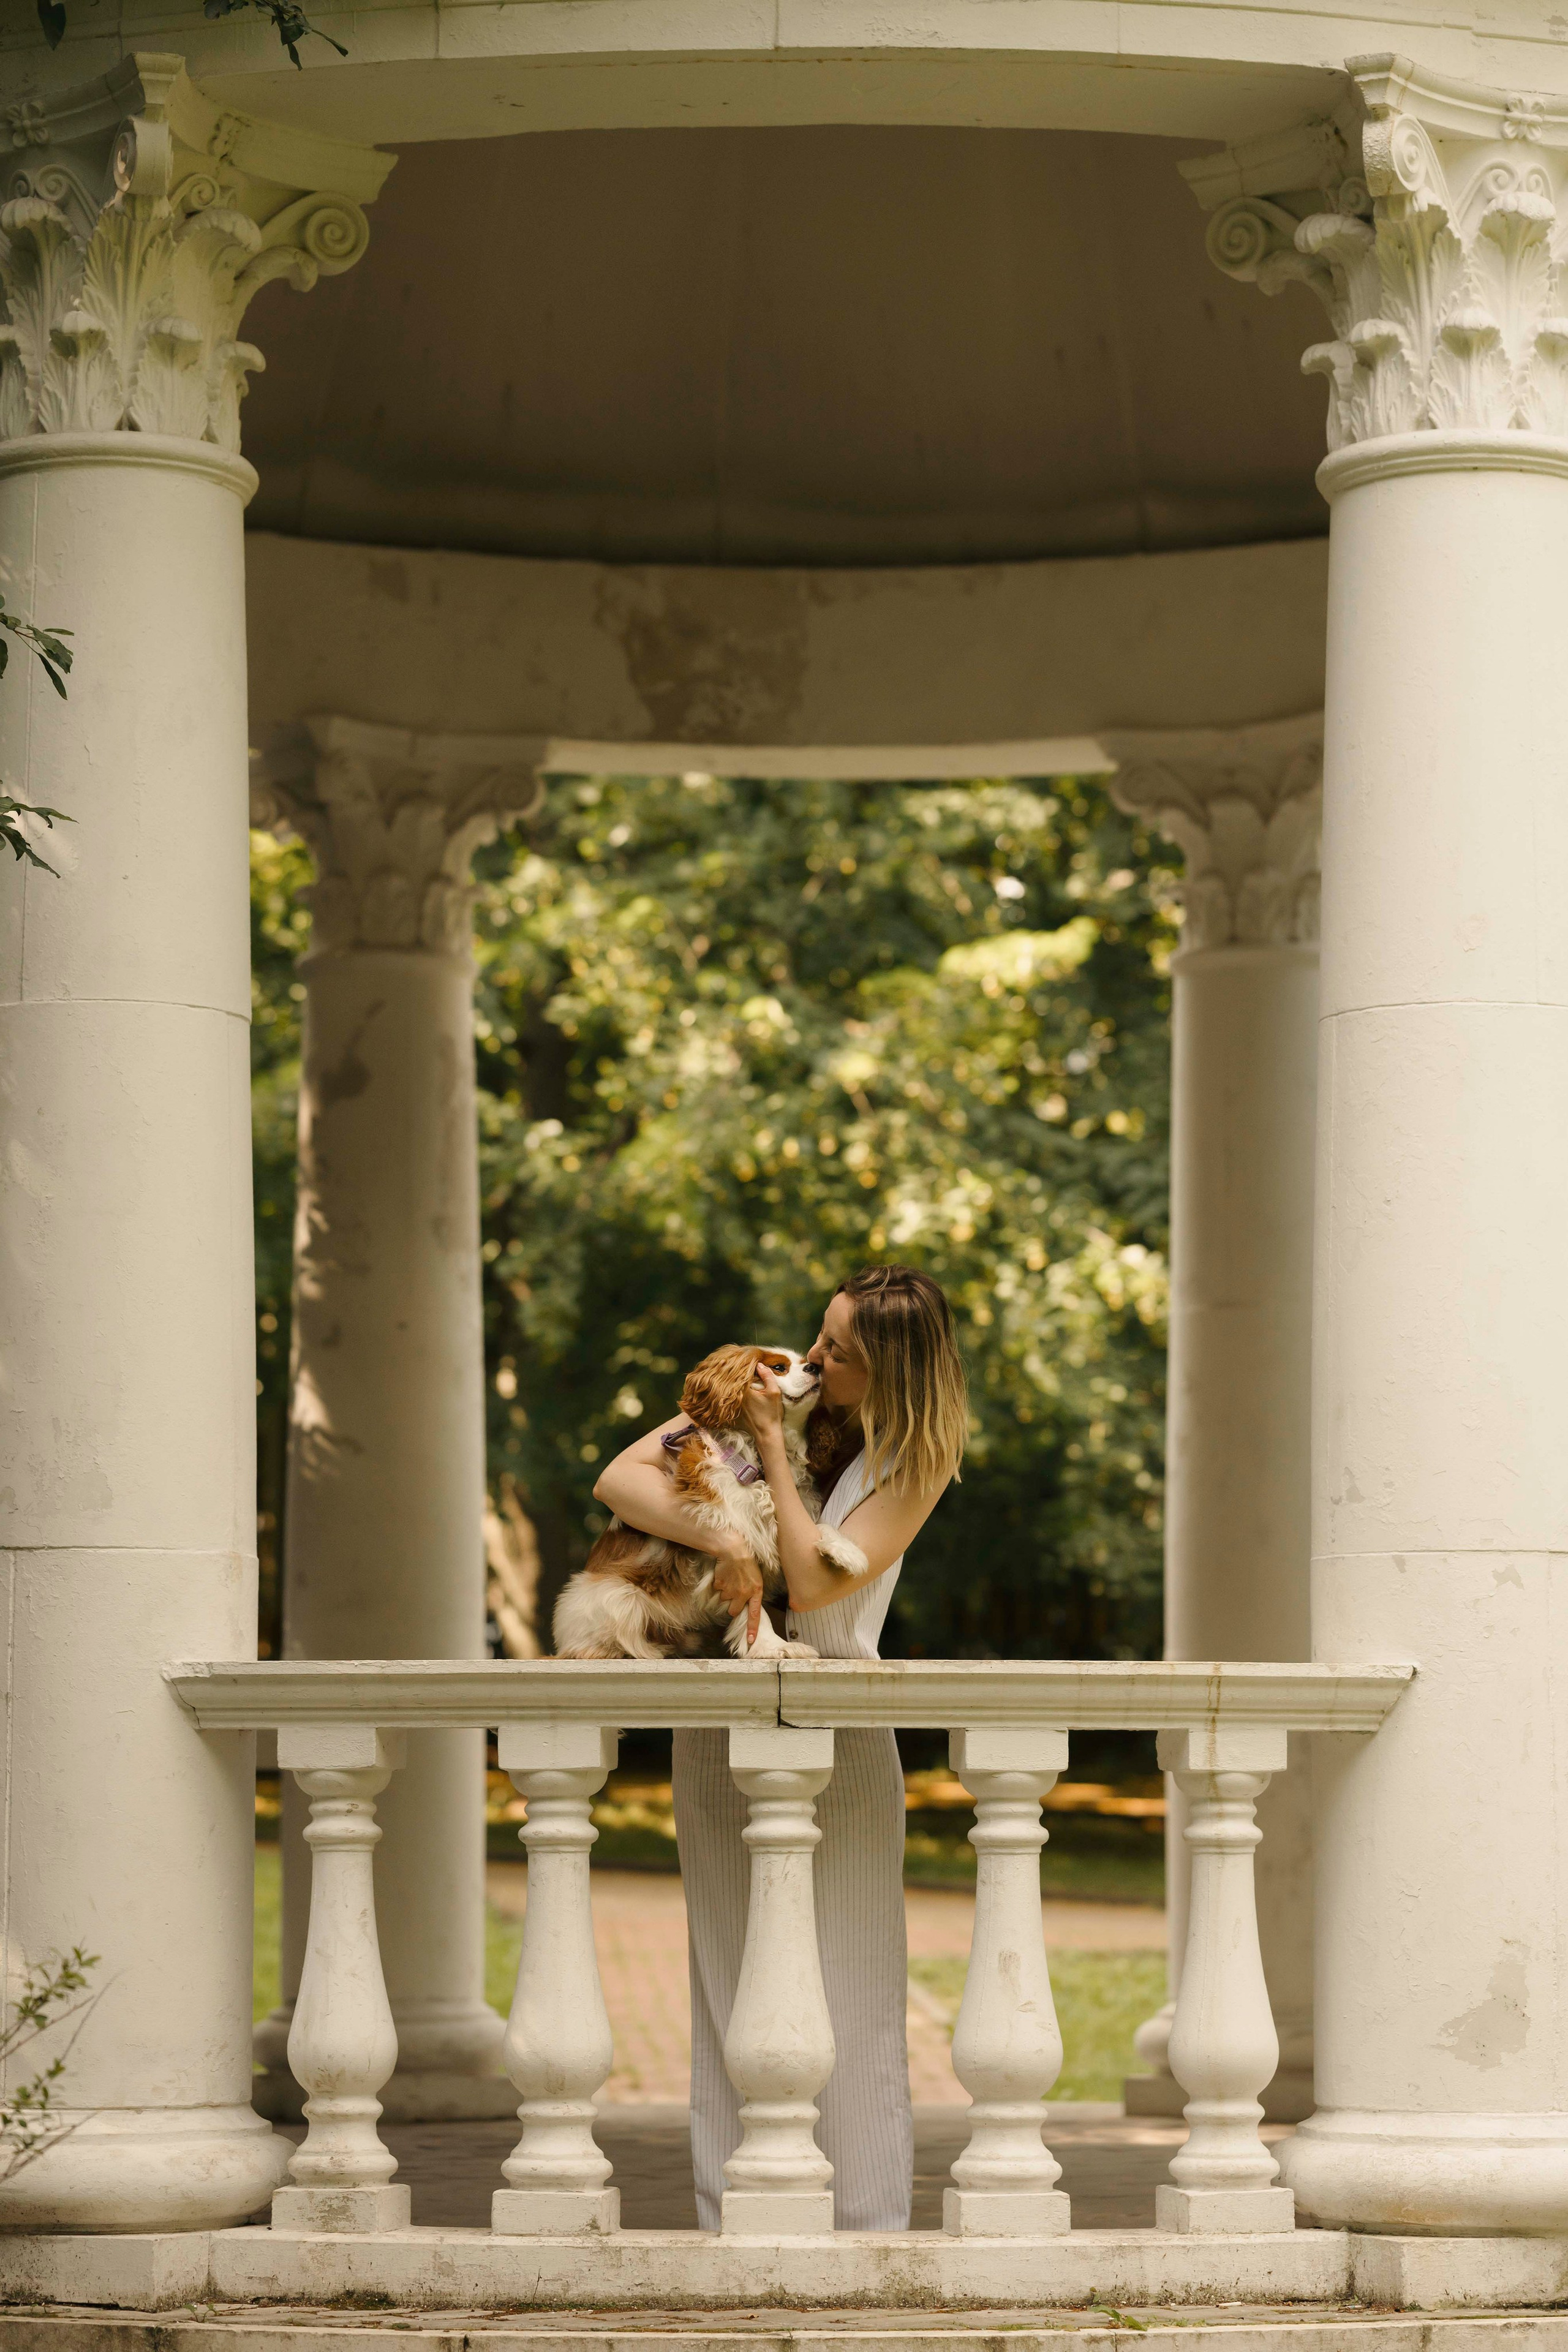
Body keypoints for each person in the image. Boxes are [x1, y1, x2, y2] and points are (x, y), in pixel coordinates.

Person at [592, 1262, 968, 2230]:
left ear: (892, 1369)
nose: (814, 1357)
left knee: (852, 1987)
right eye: (821, 1333)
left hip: (838, 1744)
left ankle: (866, 2225)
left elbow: (807, 1584)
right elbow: (620, 1479)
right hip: (720, 1728)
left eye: (840, 1352)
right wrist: (722, 1540)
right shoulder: (778, 1394)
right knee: (730, 1974)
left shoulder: (916, 1460)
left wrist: (763, 1444)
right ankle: (740, 2218)